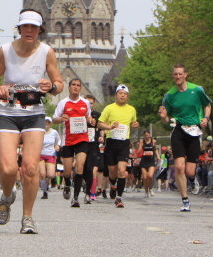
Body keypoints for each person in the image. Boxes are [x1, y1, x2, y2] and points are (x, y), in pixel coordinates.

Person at [0, 9, 63, 234]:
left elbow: (59, 83)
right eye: (25, 26)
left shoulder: (47, 52)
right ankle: (7, 196)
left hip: (34, 113)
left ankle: (27, 217)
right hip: (8, 113)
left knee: (30, 168)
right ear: (19, 28)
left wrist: (52, 86)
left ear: (40, 29)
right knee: (8, 168)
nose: (29, 31)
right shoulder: (5, 50)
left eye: (34, 27)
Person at [158, 63, 212, 211]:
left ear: (185, 75)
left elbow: (207, 105)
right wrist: (163, 116)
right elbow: (166, 119)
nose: (178, 77)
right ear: (172, 75)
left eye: (180, 74)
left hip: (194, 131)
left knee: (190, 171)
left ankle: (193, 179)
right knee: (179, 167)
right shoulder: (170, 95)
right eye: (175, 74)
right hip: (178, 130)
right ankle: (185, 200)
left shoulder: (197, 90)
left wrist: (206, 118)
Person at [97, 84, 140, 208]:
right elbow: (99, 124)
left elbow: (134, 122)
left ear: (127, 96)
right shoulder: (109, 108)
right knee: (112, 172)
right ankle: (113, 185)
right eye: (120, 93)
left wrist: (135, 124)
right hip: (111, 142)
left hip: (124, 142)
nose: (122, 95)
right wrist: (110, 127)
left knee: (122, 171)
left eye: (125, 94)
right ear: (116, 95)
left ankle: (119, 198)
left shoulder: (131, 109)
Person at [52, 78, 93, 207]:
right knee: (67, 171)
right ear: (69, 87)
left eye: (78, 85)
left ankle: (75, 198)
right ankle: (67, 184)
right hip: (68, 140)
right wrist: (61, 118)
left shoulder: (85, 103)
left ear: (80, 88)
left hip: (82, 139)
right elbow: (54, 119)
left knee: (80, 167)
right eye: (73, 85)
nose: (76, 87)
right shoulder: (63, 103)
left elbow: (88, 116)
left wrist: (90, 120)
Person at [38, 117, 60, 199]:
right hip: (40, 155)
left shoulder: (54, 132)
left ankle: (46, 184)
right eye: (45, 122)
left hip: (50, 154)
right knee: (42, 174)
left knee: (50, 175)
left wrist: (58, 146)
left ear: (50, 123)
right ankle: (44, 192)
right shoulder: (39, 132)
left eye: (48, 122)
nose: (46, 123)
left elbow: (59, 140)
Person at [138, 130, 159, 198]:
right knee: (144, 177)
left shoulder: (153, 141)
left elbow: (155, 149)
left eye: (147, 135)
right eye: (145, 135)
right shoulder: (142, 142)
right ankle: (146, 192)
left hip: (151, 160)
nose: (146, 137)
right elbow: (139, 149)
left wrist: (158, 156)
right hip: (144, 160)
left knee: (150, 176)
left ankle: (151, 188)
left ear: (150, 135)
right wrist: (139, 150)